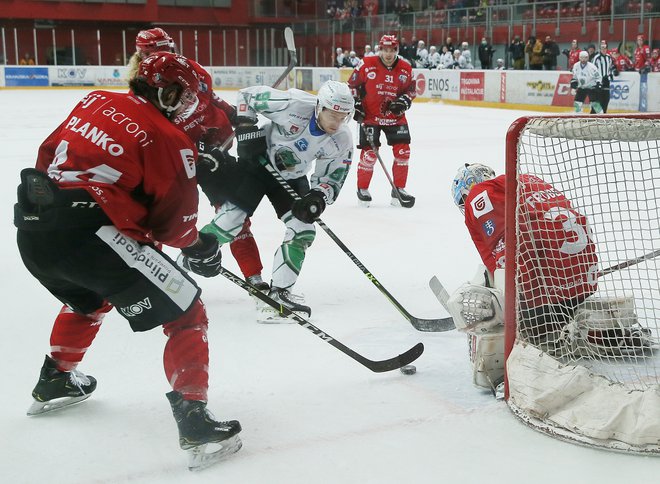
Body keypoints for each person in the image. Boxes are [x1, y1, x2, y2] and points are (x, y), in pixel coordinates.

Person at [15, 52, 241, 469]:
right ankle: (195, 423)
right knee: (187, 310)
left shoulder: (94, 100)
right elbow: (175, 227)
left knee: (89, 298)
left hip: (34, 233)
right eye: (186, 98)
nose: (190, 108)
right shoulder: (169, 140)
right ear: (168, 93)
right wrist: (198, 248)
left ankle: (56, 379)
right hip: (92, 239)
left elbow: (46, 159)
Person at [447, 164, 652, 391]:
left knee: (489, 298)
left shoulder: (479, 195)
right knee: (555, 322)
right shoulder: (528, 180)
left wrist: (506, 299)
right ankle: (598, 332)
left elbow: (507, 253)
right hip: (582, 282)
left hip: (542, 299)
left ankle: (511, 364)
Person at [186, 80, 354, 321]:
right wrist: (246, 128)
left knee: (303, 229)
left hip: (292, 178)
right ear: (320, 107)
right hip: (256, 165)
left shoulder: (342, 139)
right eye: (333, 115)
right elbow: (246, 94)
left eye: (343, 117)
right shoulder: (293, 104)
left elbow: (333, 177)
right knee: (230, 222)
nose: (337, 123)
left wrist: (317, 196)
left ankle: (280, 294)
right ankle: (187, 260)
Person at [129, 27, 268, 292]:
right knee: (156, 218)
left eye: (163, 51)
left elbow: (213, 100)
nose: (159, 58)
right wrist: (196, 152)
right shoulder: (144, 90)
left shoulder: (194, 72)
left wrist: (234, 116)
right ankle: (154, 276)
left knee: (235, 211)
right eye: (150, 54)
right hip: (178, 160)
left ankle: (254, 277)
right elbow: (154, 138)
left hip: (215, 146)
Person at [348, 34, 416, 208]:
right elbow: (352, 85)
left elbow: (411, 90)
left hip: (395, 117)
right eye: (385, 50)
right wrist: (356, 104)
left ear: (396, 50)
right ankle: (363, 189)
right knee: (370, 154)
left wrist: (403, 102)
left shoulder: (405, 68)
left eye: (392, 50)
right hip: (370, 116)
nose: (388, 54)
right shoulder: (366, 64)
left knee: (403, 153)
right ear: (380, 49)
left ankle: (399, 189)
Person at [591, 40, 616, 113]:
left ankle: (604, 115)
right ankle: (592, 115)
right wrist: (596, 81)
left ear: (607, 48)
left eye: (605, 48)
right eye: (602, 48)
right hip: (598, 82)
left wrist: (610, 74)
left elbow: (610, 67)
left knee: (606, 99)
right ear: (600, 49)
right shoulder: (596, 58)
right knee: (598, 100)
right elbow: (592, 70)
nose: (604, 50)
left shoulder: (609, 57)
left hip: (606, 81)